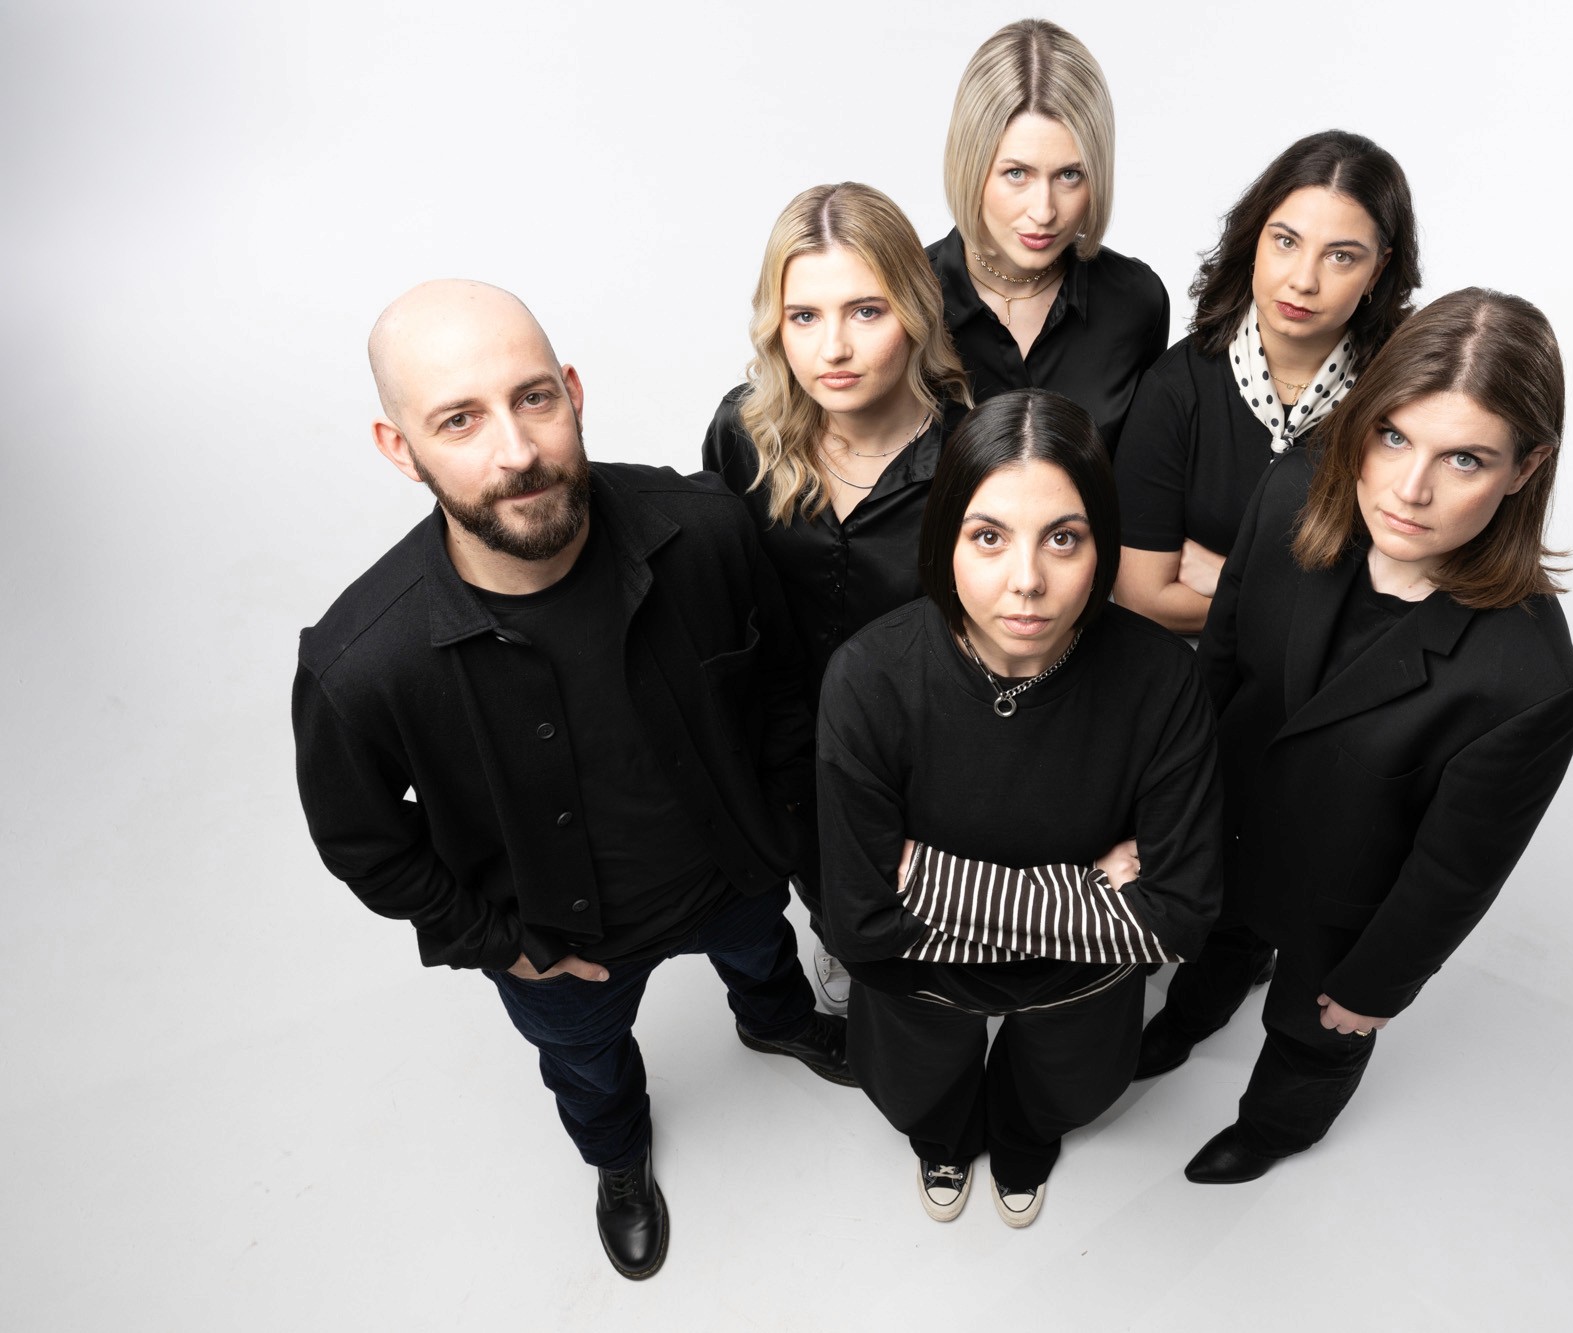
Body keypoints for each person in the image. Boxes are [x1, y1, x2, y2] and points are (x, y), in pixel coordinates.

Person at [291, 280, 852, 1282]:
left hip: (733, 872)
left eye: (533, 398)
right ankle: (618, 1159)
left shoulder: (708, 530)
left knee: (763, 956)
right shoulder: (359, 663)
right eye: (458, 420)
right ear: (398, 448)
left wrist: (780, 833)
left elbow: (780, 698)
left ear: (574, 392)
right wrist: (500, 943)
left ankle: (775, 1021)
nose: (515, 451)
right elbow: (365, 845)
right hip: (560, 941)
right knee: (588, 1069)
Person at [1137, 288, 1573, 1186]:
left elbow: (1453, 873)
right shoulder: (1292, 489)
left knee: (1315, 1033)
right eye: (1393, 436)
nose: (1410, 489)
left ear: (1525, 468)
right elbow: (1217, 668)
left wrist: (1376, 987)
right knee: (1218, 944)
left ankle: (1275, 1128)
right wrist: (1166, 815)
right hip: (1225, 830)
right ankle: (1190, 1018)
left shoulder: (1530, 683)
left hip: (1343, 909)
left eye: (1464, 458)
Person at [817, 389, 1224, 1226]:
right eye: (989, 537)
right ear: (946, 540)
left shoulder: (1162, 679)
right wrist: (1091, 893)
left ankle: (1026, 1144)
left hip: (1076, 990)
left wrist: (925, 880)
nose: (1028, 581)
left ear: (1102, 544)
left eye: (1064, 538)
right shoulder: (868, 677)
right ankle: (941, 1139)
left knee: (1053, 1093)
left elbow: (1180, 917)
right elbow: (859, 925)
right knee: (924, 1095)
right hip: (921, 984)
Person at [702, 182, 974, 1015]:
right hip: (789, 742)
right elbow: (720, 587)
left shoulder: (975, 449)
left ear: (916, 311)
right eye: (805, 316)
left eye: (866, 310)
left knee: (924, 912)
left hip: (926, 744)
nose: (835, 349)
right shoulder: (741, 433)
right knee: (830, 893)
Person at [1114, 129, 1420, 636]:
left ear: (1378, 270)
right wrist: (1314, 609)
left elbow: (1414, 604)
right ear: (1255, 237)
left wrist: (1234, 581)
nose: (1303, 280)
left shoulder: (1406, 401)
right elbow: (1142, 600)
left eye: (1340, 256)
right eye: (1286, 241)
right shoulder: (1176, 389)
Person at [927, 18, 1168, 455]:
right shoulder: (904, 299)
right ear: (970, 165)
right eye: (1016, 173)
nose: (1044, 211)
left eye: (1070, 175)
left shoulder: (1136, 302)